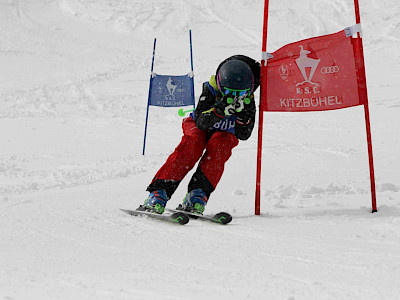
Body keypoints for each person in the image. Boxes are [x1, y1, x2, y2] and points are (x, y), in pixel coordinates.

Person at [139, 55, 261, 214]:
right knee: (192, 145)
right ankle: (159, 192)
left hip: (224, 131)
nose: (236, 97)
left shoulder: (248, 101)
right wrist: (219, 110)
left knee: (220, 147)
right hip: (200, 125)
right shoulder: (211, 90)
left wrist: (244, 118)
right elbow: (201, 121)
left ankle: (197, 194)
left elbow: (244, 135)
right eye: (229, 92)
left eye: (241, 93)